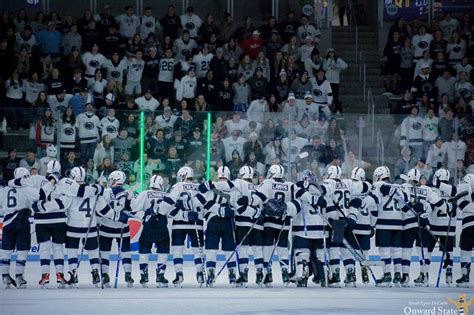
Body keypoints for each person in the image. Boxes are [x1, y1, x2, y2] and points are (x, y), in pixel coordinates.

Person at [0, 168, 38, 288]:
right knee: (22, 251)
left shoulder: (4, 189)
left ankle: (5, 276)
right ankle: (19, 277)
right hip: (22, 220)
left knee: (6, 251)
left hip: (6, 222)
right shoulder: (27, 189)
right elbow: (38, 197)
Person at [99, 171, 134, 288]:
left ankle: (104, 275)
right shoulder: (127, 193)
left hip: (106, 226)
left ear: (114, 180)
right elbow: (131, 210)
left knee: (104, 252)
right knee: (125, 252)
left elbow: (100, 208)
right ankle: (128, 275)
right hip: (122, 227)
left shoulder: (105, 192)